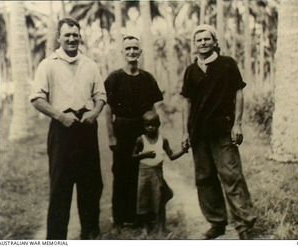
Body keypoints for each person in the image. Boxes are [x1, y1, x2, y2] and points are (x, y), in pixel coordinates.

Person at [30, 18, 106, 240]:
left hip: (86, 128)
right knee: (60, 187)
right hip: (62, 130)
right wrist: (60, 116)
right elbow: (36, 98)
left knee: (91, 185)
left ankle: (90, 235)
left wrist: (94, 112)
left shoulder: (90, 64)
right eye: (67, 35)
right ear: (59, 37)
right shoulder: (48, 64)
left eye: (75, 35)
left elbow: (100, 95)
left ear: (80, 37)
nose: (72, 39)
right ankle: (55, 239)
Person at [181, 24, 257, 240]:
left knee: (231, 175)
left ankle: (244, 225)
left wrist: (238, 124)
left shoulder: (227, 64)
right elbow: (186, 102)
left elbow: (239, 93)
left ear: (214, 42)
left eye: (207, 39)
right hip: (198, 133)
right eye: (199, 40)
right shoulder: (191, 70)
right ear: (194, 45)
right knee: (204, 178)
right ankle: (217, 223)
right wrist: (186, 132)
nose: (203, 43)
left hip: (223, 130)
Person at [104, 35, 163, 229]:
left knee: (145, 172)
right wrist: (111, 135)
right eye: (127, 48)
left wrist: (154, 135)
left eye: (135, 48)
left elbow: (154, 109)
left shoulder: (147, 78)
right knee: (122, 172)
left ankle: (144, 215)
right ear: (122, 52)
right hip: (122, 130)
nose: (131, 52)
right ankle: (121, 217)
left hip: (143, 130)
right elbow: (108, 109)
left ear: (140, 52)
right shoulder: (114, 78)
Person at [132, 111, 189, 235]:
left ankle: (161, 227)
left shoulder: (163, 140)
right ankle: (145, 228)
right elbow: (133, 156)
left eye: (153, 125)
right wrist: (144, 155)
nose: (150, 128)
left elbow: (172, 156)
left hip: (157, 173)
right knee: (144, 200)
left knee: (160, 198)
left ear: (159, 125)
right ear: (143, 126)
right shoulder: (140, 140)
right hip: (144, 174)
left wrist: (183, 151)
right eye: (147, 125)